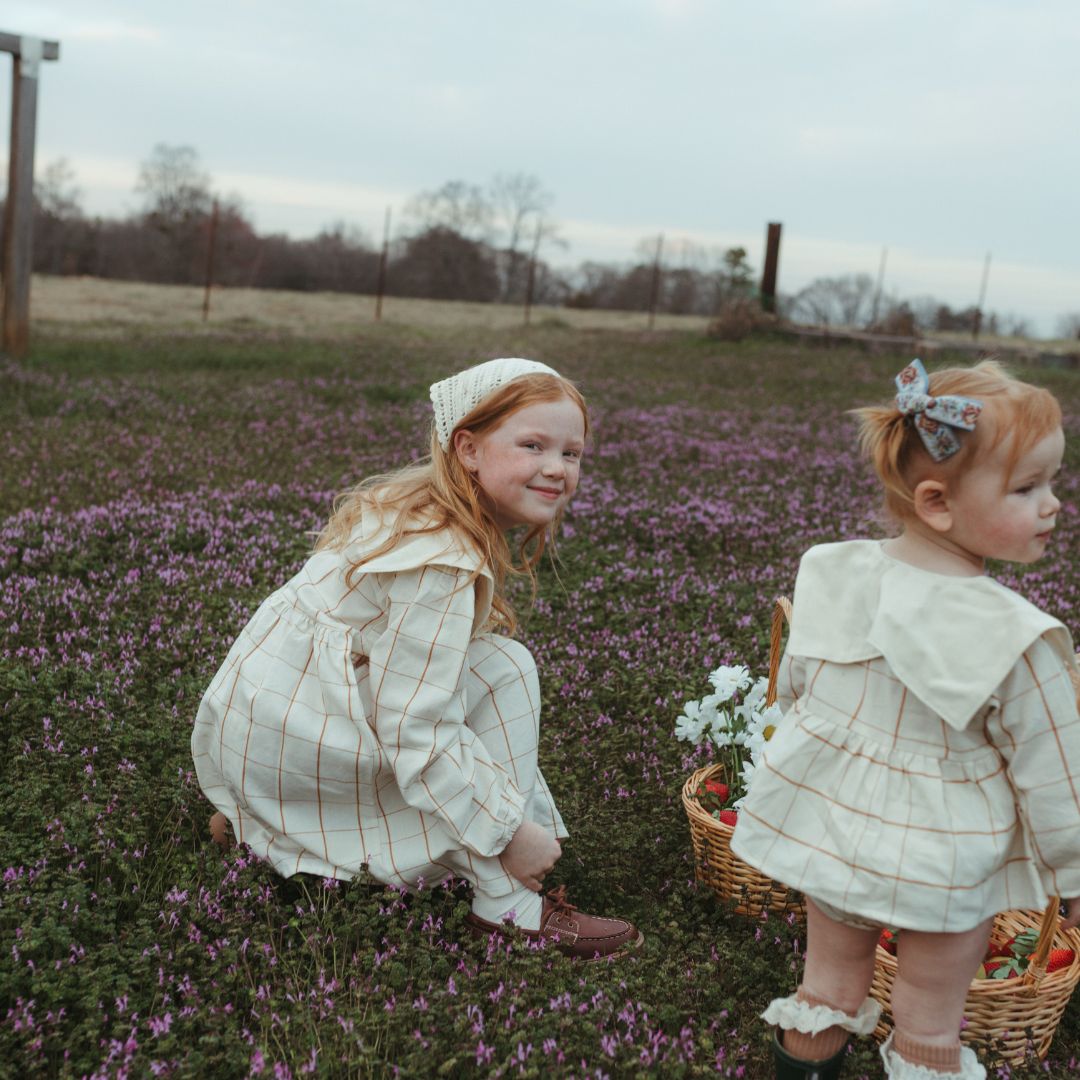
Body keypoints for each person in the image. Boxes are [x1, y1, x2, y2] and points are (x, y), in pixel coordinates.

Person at [191, 357, 642, 960]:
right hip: (295, 744)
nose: (556, 469)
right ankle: (506, 903)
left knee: (492, 663)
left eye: (572, 453)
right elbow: (415, 731)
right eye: (533, 445)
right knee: (507, 671)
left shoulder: (413, 506)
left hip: (264, 735)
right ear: (469, 448)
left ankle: (260, 826)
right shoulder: (441, 562)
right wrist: (509, 833)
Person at [731, 359, 1080, 1079]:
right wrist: (1073, 876)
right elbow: (1058, 775)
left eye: (1054, 484)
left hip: (834, 829)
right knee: (928, 1016)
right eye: (1028, 488)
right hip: (946, 859)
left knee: (825, 985)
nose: (1053, 506)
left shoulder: (831, 569)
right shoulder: (1016, 635)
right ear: (936, 502)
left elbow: (798, 689)